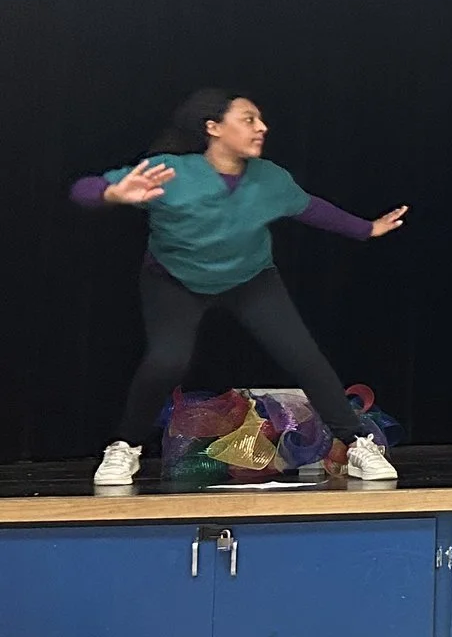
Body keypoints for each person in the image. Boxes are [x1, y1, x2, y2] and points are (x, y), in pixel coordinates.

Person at [72, 88, 405, 486]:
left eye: (261, 120)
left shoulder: (270, 179)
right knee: (167, 361)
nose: (261, 127)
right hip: (175, 281)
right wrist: (112, 193)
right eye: (248, 119)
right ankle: (124, 447)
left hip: (250, 280)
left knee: (305, 358)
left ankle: (356, 444)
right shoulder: (170, 171)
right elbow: (83, 190)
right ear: (213, 128)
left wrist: (367, 229)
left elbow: (311, 207)